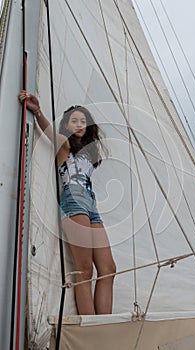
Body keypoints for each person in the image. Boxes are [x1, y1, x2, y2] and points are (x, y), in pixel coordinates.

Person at [19, 90, 116, 315]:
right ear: (66, 125)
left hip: (91, 206)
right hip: (74, 202)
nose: (79, 124)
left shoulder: (88, 154)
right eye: (74, 120)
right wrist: (38, 111)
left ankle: (104, 325)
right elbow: (49, 132)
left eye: (83, 120)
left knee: (108, 269)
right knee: (84, 270)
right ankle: (91, 332)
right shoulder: (65, 145)